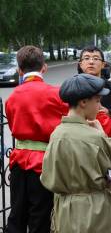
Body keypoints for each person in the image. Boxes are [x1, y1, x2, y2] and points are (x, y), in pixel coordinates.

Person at [40, 74, 111, 233]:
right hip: (96, 211)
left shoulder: (57, 134)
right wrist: (103, 135)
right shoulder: (94, 137)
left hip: (65, 210)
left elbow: (46, 177)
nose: (99, 107)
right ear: (83, 102)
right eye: (97, 101)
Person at [5, 45, 69, 233]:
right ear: (45, 67)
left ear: (19, 70)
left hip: (18, 161)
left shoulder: (12, 96)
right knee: (40, 217)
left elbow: (12, 126)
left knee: (16, 215)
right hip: (44, 163)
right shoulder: (56, 94)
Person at [78, 46, 111, 135]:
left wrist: (110, 113)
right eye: (86, 58)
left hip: (103, 142)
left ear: (103, 64)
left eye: (96, 58)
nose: (91, 62)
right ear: (80, 64)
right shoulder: (72, 87)